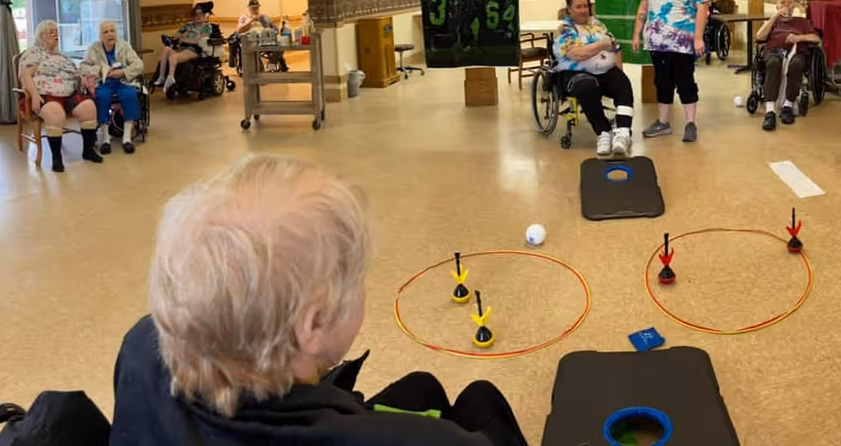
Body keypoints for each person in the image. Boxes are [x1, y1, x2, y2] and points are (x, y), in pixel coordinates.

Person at [111, 155, 529, 446]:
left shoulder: (141, 345)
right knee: (480, 397)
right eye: (357, 276)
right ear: (312, 325)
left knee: (423, 387)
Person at [631, 0, 709, 143]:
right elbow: (643, 7)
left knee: (685, 81)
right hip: (657, 42)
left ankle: (690, 123)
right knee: (662, 82)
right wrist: (637, 34)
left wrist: (698, 37)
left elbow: (702, 6)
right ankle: (663, 123)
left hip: (683, 42)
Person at [553, 0, 636, 157]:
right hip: (575, 74)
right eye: (579, 7)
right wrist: (601, 45)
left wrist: (617, 71)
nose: (584, 10)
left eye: (586, 6)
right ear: (569, 9)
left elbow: (615, 46)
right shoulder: (566, 30)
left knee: (623, 83)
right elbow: (577, 54)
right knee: (587, 86)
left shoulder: (597, 24)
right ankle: (603, 133)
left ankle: (622, 133)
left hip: (604, 71)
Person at [20, 20, 102, 172]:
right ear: (41, 36)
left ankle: (88, 151)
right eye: (51, 32)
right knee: (55, 113)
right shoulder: (34, 53)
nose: (55, 34)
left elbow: (75, 73)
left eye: (56, 31)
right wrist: (35, 95)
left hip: (69, 93)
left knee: (88, 107)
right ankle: (56, 158)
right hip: (45, 94)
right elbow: (26, 75)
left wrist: (83, 80)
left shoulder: (62, 55)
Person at [753, 0, 820, 131]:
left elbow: (815, 38)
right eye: (782, 3)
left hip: (796, 52)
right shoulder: (774, 21)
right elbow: (759, 36)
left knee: (796, 65)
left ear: (793, 7)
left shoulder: (802, 22)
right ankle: (770, 111)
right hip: (774, 52)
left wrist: (799, 37)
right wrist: (775, 17)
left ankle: (788, 106)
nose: (786, 5)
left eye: (789, 3)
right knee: (773, 64)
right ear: (777, 6)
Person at [83, 20, 143, 155]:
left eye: (112, 31)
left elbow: (138, 65)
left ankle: (127, 139)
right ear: (100, 36)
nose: (110, 34)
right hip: (104, 82)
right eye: (106, 32)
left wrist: (123, 72)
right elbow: (84, 67)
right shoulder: (94, 49)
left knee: (129, 95)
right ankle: (105, 139)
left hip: (123, 81)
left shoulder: (124, 46)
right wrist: (100, 70)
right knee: (101, 96)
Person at [156, 3, 215, 89]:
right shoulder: (188, 25)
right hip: (182, 47)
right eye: (196, 15)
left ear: (204, 15)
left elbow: (200, 41)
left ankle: (171, 77)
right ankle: (161, 77)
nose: (198, 17)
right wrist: (176, 37)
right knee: (167, 49)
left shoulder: (207, 27)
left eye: (200, 14)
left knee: (173, 57)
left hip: (195, 49)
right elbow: (177, 35)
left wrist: (185, 39)